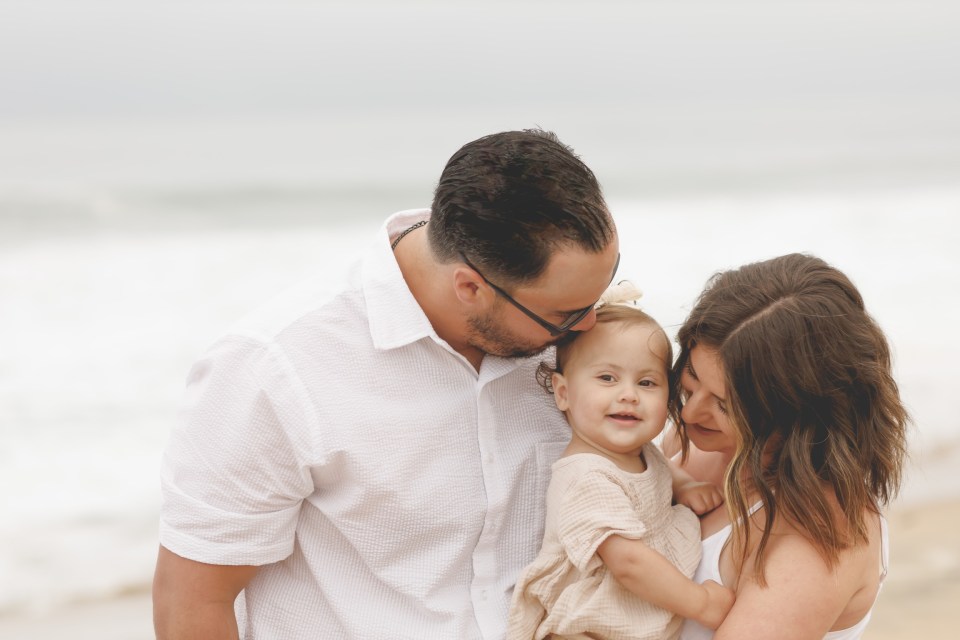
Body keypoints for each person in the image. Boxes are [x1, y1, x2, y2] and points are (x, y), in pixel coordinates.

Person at [152, 128, 622, 640]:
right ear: (470, 287)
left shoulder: (570, 344)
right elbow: (193, 600)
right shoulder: (274, 367)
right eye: (565, 313)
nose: (589, 325)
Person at [664, 253, 908, 640]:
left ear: (799, 415)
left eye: (725, 405)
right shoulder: (699, 438)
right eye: (692, 378)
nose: (690, 412)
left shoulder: (822, 535)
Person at [507, 293, 734, 640]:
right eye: (607, 379)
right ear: (563, 392)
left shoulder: (636, 452)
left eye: (646, 383)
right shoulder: (586, 478)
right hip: (586, 626)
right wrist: (701, 603)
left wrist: (685, 485)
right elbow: (628, 563)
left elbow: (656, 466)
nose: (628, 394)